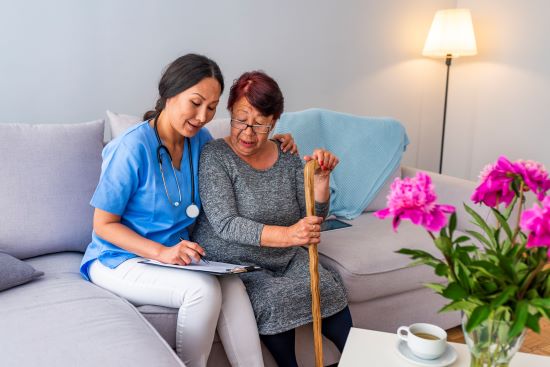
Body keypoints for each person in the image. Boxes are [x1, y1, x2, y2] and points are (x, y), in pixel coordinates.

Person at [79, 54, 296, 367]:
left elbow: (236, 153)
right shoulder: (131, 147)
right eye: (195, 103)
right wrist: (161, 253)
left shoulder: (199, 141)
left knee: (233, 284)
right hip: (117, 258)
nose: (202, 116)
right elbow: (103, 224)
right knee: (203, 292)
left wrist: (270, 141)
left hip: (177, 257)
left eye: (211, 107)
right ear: (170, 93)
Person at [192, 71, 353, 367]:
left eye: (260, 125)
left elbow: (312, 219)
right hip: (238, 261)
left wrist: (320, 182)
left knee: (326, 286)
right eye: (240, 120)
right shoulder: (214, 156)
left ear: (275, 121)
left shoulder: (287, 154)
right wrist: (291, 235)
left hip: (285, 256)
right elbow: (226, 223)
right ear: (230, 112)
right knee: (274, 298)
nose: (248, 134)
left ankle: (362, 359)